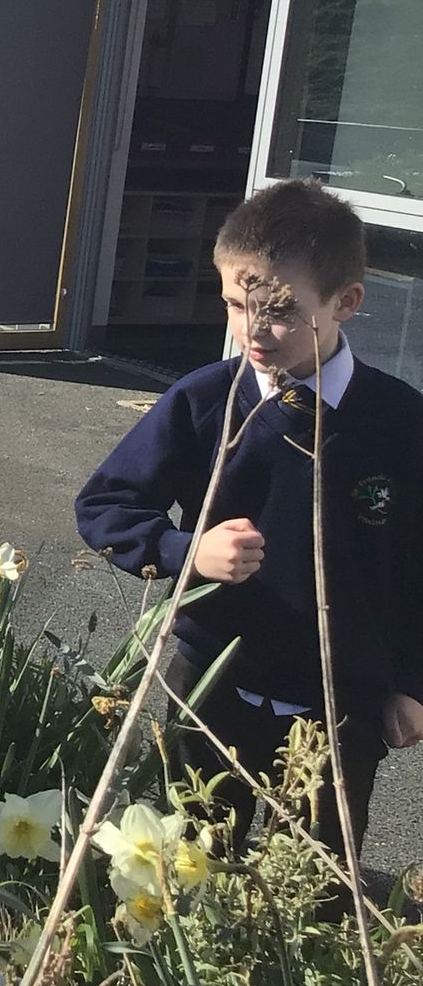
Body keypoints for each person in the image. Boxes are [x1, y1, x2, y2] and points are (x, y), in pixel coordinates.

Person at [76, 179, 423, 864]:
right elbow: (106, 503)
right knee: (196, 864)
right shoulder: (206, 400)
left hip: (340, 701)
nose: (253, 330)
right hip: (212, 684)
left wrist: (413, 682)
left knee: (318, 878)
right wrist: (185, 550)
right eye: (236, 304)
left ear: (346, 301)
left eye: (282, 310)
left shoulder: (400, 423)